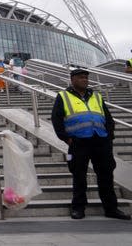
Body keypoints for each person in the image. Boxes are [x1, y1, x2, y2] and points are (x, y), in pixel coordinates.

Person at [51, 68, 130, 220]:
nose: (85, 80)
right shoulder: (63, 96)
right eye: (81, 77)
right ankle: (78, 208)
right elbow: (56, 119)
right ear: (72, 79)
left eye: (86, 78)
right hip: (78, 142)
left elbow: (107, 117)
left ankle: (111, 208)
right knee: (79, 175)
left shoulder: (97, 96)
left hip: (100, 141)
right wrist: (66, 138)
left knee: (106, 175)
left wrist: (109, 136)